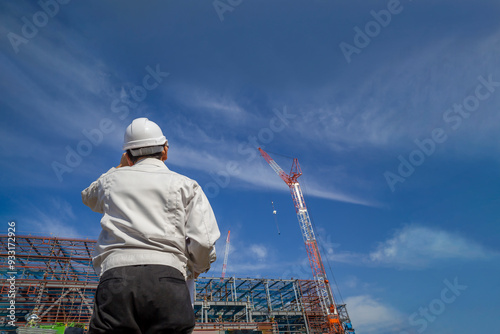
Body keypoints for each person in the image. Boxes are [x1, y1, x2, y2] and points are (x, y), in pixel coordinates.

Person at [82, 117, 220, 334]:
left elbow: (88, 197)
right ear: (165, 151)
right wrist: (195, 268)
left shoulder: (110, 182)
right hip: (168, 279)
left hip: (116, 279)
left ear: (127, 156)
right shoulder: (186, 185)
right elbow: (203, 241)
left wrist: (118, 168)